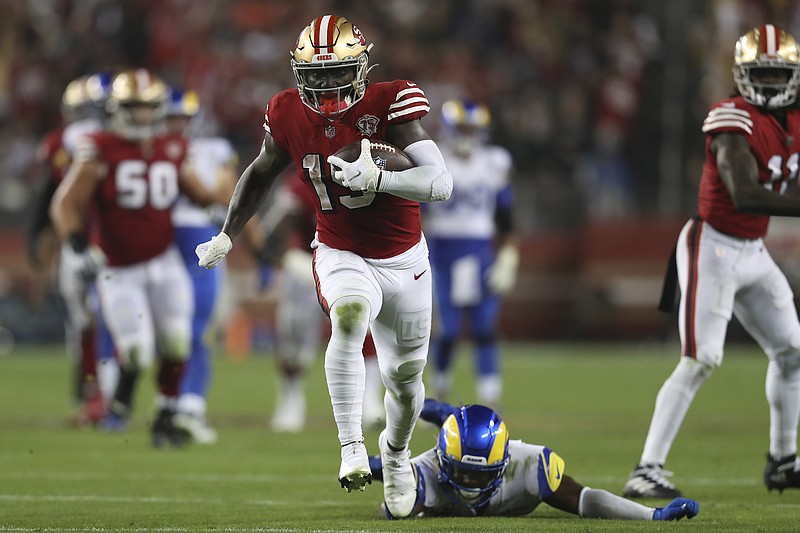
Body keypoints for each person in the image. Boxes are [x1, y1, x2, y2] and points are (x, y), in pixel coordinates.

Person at [194, 15, 453, 518]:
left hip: (405, 260)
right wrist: (229, 232)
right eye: (317, 74)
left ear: (361, 68)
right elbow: (260, 173)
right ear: (297, 72)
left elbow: (439, 182)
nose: (327, 84)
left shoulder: (392, 100)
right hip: (340, 249)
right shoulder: (287, 111)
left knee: (405, 379)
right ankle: (352, 444)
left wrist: (379, 177)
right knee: (349, 317)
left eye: (338, 72)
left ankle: (396, 457)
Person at [623, 24, 800, 498]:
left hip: (755, 251)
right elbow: (743, 193)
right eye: (759, 73)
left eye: (777, 73)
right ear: (741, 74)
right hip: (714, 245)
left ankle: (783, 459)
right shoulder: (730, 116)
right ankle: (646, 467)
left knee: (793, 350)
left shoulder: (795, 119)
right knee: (701, 359)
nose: (768, 83)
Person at [50, 68, 228, 448]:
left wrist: (224, 209)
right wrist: (77, 241)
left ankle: (165, 415)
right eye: (135, 107)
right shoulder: (98, 145)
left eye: (149, 108)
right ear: (118, 108)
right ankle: (124, 392)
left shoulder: (170, 146)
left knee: (179, 340)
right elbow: (65, 202)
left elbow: (198, 193)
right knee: (136, 350)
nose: (144, 116)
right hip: (118, 268)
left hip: (163, 260)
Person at [366, 398, 699, 521]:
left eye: (478, 476)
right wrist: (359, 465)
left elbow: (585, 499)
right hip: (429, 464)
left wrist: (651, 515)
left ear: (504, 463)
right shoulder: (427, 470)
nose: (468, 482)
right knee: (397, 506)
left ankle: (440, 410)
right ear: (443, 461)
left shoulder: (528, 465)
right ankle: (432, 406)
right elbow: (381, 468)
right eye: (463, 473)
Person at [258, 177, 385, 432]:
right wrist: (282, 255)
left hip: (351, 260)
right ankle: (291, 400)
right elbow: (278, 226)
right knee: (293, 338)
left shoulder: (362, 174)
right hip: (307, 263)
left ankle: (369, 402)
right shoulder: (300, 184)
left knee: (365, 328)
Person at [27, 73, 113, 426]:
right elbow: (53, 196)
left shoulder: (68, 142)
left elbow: (49, 196)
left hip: (90, 242)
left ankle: (97, 396)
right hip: (90, 240)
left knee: (90, 325)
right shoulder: (104, 141)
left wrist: (40, 238)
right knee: (91, 324)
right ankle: (97, 395)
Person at [424, 99, 518, 407]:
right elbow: (417, 211)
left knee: (484, 328)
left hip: (480, 251)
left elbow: (506, 214)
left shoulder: (494, 161)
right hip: (441, 251)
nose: (467, 135)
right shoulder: (433, 156)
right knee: (445, 330)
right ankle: (439, 393)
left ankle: (491, 398)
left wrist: (509, 254)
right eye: (462, 128)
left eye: (472, 129)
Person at [164, 88, 238, 444]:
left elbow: (229, 195)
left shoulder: (214, 149)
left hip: (200, 238)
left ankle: (189, 406)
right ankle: (170, 404)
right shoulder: (152, 151)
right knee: (168, 331)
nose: (176, 124)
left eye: (181, 117)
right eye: (171, 117)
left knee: (196, 330)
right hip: (162, 242)